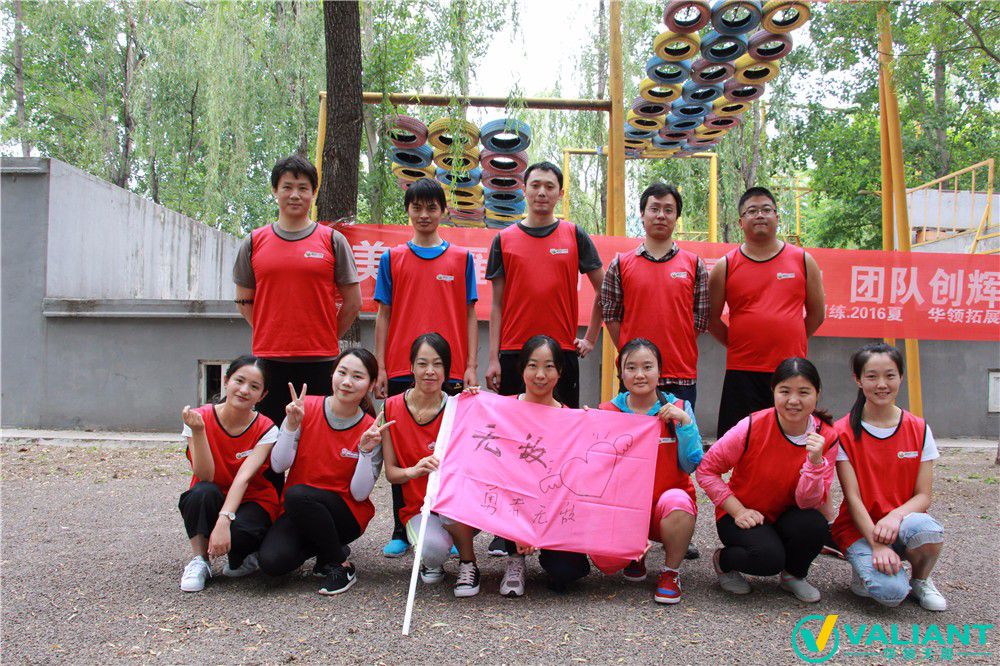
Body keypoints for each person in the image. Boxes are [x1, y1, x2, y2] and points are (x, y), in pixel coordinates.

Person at [484, 161, 605, 556]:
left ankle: (556, 523)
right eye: (534, 185)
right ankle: (506, 530)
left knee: (562, 446)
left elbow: (605, 289)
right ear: (524, 189)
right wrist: (493, 358)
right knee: (510, 446)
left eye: (549, 186)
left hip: (561, 357)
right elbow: (496, 304)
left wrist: (591, 337)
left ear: (560, 193)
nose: (541, 192)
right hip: (513, 354)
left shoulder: (574, 235)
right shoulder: (504, 239)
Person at [232, 155, 362, 467]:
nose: (295, 194)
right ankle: (268, 498)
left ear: (313, 193)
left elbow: (353, 302)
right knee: (269, 448)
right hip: (269, 362)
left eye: (303, 188)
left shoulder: (332, 241)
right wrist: (270, 330)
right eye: (287, 187)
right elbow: (243, 300)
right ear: (275, 191)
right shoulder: (254, 242)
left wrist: (326, 335)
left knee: (315, 448)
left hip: (320, 362)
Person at [374, 178, 479, 559]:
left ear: (443, 211)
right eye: (416, 207)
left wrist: (470, 365)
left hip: (448, 371)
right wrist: (382, 366)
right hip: (403, 367)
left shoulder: (462, 259)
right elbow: (383, 314)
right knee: (401, 452)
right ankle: (400, 528)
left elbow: (470, 314)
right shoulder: (392, 258)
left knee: (448, 452)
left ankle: (444, 524)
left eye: (431, 207)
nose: (424, 214)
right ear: (407, 211)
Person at [695, 357, 839, 602]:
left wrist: (815, 463)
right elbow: (706, 470)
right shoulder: (752, 425)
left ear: (817, 394)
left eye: (804, 392)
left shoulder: (826, 436)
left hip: (787, 514)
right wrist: (738, 510)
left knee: (815, 525)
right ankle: (724, 562)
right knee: (768, 559)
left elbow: (807, 502)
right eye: (785, 391)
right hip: (742, 514)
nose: (793, 400)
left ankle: (794, 575)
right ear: (773, 391)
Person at [832, 343, 947, 611]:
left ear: (901, 377)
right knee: (891, 595)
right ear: (858, 380)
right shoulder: (842, 431)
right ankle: (866, 565)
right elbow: (853, 498)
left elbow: (924, 496)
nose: (881, 384)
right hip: (859, 529)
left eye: (890, 375)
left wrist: (895, 516)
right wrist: (876, 544)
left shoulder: (919, 428)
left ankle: (920, 580)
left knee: (928, 529)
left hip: (902, 524)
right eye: (872, 376)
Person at [258, 349, 383, 595]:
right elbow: (278, 465)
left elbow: (359, 494)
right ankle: (329, 549)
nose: (347, 382)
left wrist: (366, 451)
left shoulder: (371, 429)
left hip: (345, 514)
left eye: (357, 376)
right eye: (342, 373)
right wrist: (291, 426)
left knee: (297, 494)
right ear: (332, 374)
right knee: (272, 563)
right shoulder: (304, 408)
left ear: (371, 385)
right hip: (299, 509)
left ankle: (340, 564)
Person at [590, 338, 702, 604]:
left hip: (665, 507)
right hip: (624, 508)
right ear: (620, 372)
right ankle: (633, 553)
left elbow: (691, 463)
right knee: (605, 560)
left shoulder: (679, 409)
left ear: (659, 371)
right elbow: (594, 470)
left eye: (647, 367)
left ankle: (670, 572)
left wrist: (685, 424)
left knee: (678, 502)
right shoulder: (608, 411)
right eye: (631, 368)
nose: (639, 374)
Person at [708, 186, 825, 438]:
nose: (759, 215)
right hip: (742, 371)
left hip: (790, 371)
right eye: (752, 211)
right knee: (739, 440)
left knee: (789, 440)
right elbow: (711, 318)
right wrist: (738, 342)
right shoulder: (725, 265)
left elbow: (817, 314)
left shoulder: (803, 260)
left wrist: (791, 338)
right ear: (741, 222)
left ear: (777, 217)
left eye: (766, 209)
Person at [380, 333, 481, 598]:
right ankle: (433, 557)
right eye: (422, 363)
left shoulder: (458, 407)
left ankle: (469, 563)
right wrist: (414, 471)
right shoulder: (391, 408)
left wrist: (478, 403)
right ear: (411, 367)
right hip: (418, 507)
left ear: (447, 370)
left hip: (456, 504)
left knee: (450, 508)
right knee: (432, 551)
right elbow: (391, 473)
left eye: (437, 364)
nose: (430, 371)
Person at [496, 335, 592, 596]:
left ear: (560, 371)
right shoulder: (501, 410)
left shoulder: (571, 418)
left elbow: (578, 478)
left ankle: (549, 553)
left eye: (549, 366)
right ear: (521, 369)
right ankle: (515, 557)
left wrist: (592, 427)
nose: (540, 375)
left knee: (568, 571)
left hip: (552, 511)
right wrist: (469, 400)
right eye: (533, 366)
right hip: (511, 506)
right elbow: (492, 470)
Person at [600, 183, 709, 407]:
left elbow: (700, 319)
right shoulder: (620, 264)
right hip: (636, 376)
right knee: (632, 431)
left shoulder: (694, 264)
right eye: (654, 208)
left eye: (668, 210)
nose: (661, 215)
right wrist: (633, 353)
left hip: (680, 374)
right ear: (642, 214)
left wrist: (676, 342)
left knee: (680, 430)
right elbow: (611, 316)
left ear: (676, 217)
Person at [177, 355, 279, 592]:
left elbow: (244, 477)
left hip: (252, 498)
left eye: (254, 386)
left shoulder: (266, 428)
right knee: (200, 493)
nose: (244, 390)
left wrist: (225, 519)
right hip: (213, 493)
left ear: (262, 395)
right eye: (239, 381)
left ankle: (244, 554)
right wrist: (199, 431)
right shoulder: (197, 418)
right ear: (226, 381)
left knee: (241, 533)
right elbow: (204, 475)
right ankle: (200, 560)